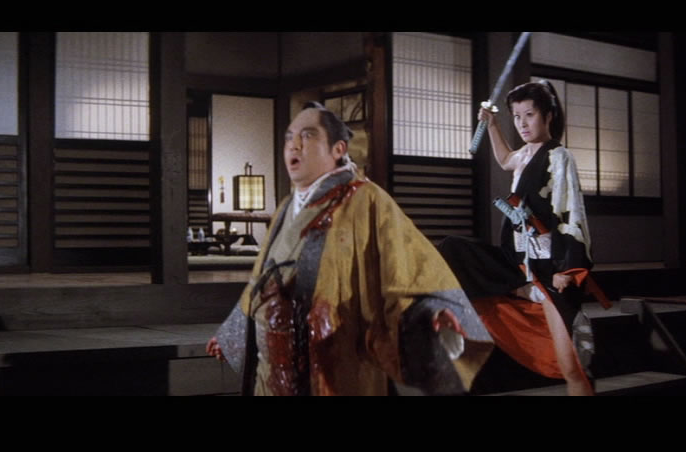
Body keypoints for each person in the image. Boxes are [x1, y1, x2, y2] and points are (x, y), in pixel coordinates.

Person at [206, 101, 493, 396]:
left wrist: (430, 311)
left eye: (307, 136)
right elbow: (262, 279)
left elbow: (409, 266)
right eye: (289, 137)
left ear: (338, 149)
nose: (294, 145)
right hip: (274, 367)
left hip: (337, 358)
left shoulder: (368, 200)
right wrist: (234, 331)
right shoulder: (285, 208)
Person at [438, 80, 610, 396]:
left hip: (551, 266)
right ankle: (518, 290)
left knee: (572, 366)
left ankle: (537, 294)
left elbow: (571, 212)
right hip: (518, 262)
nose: (522, 123)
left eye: (529, 115)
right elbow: (505, 160)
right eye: (517, 117)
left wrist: (567, 269)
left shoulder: (559, 156)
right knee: (453, 249)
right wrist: (492, 124)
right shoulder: (525, 155)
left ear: (548, 115)